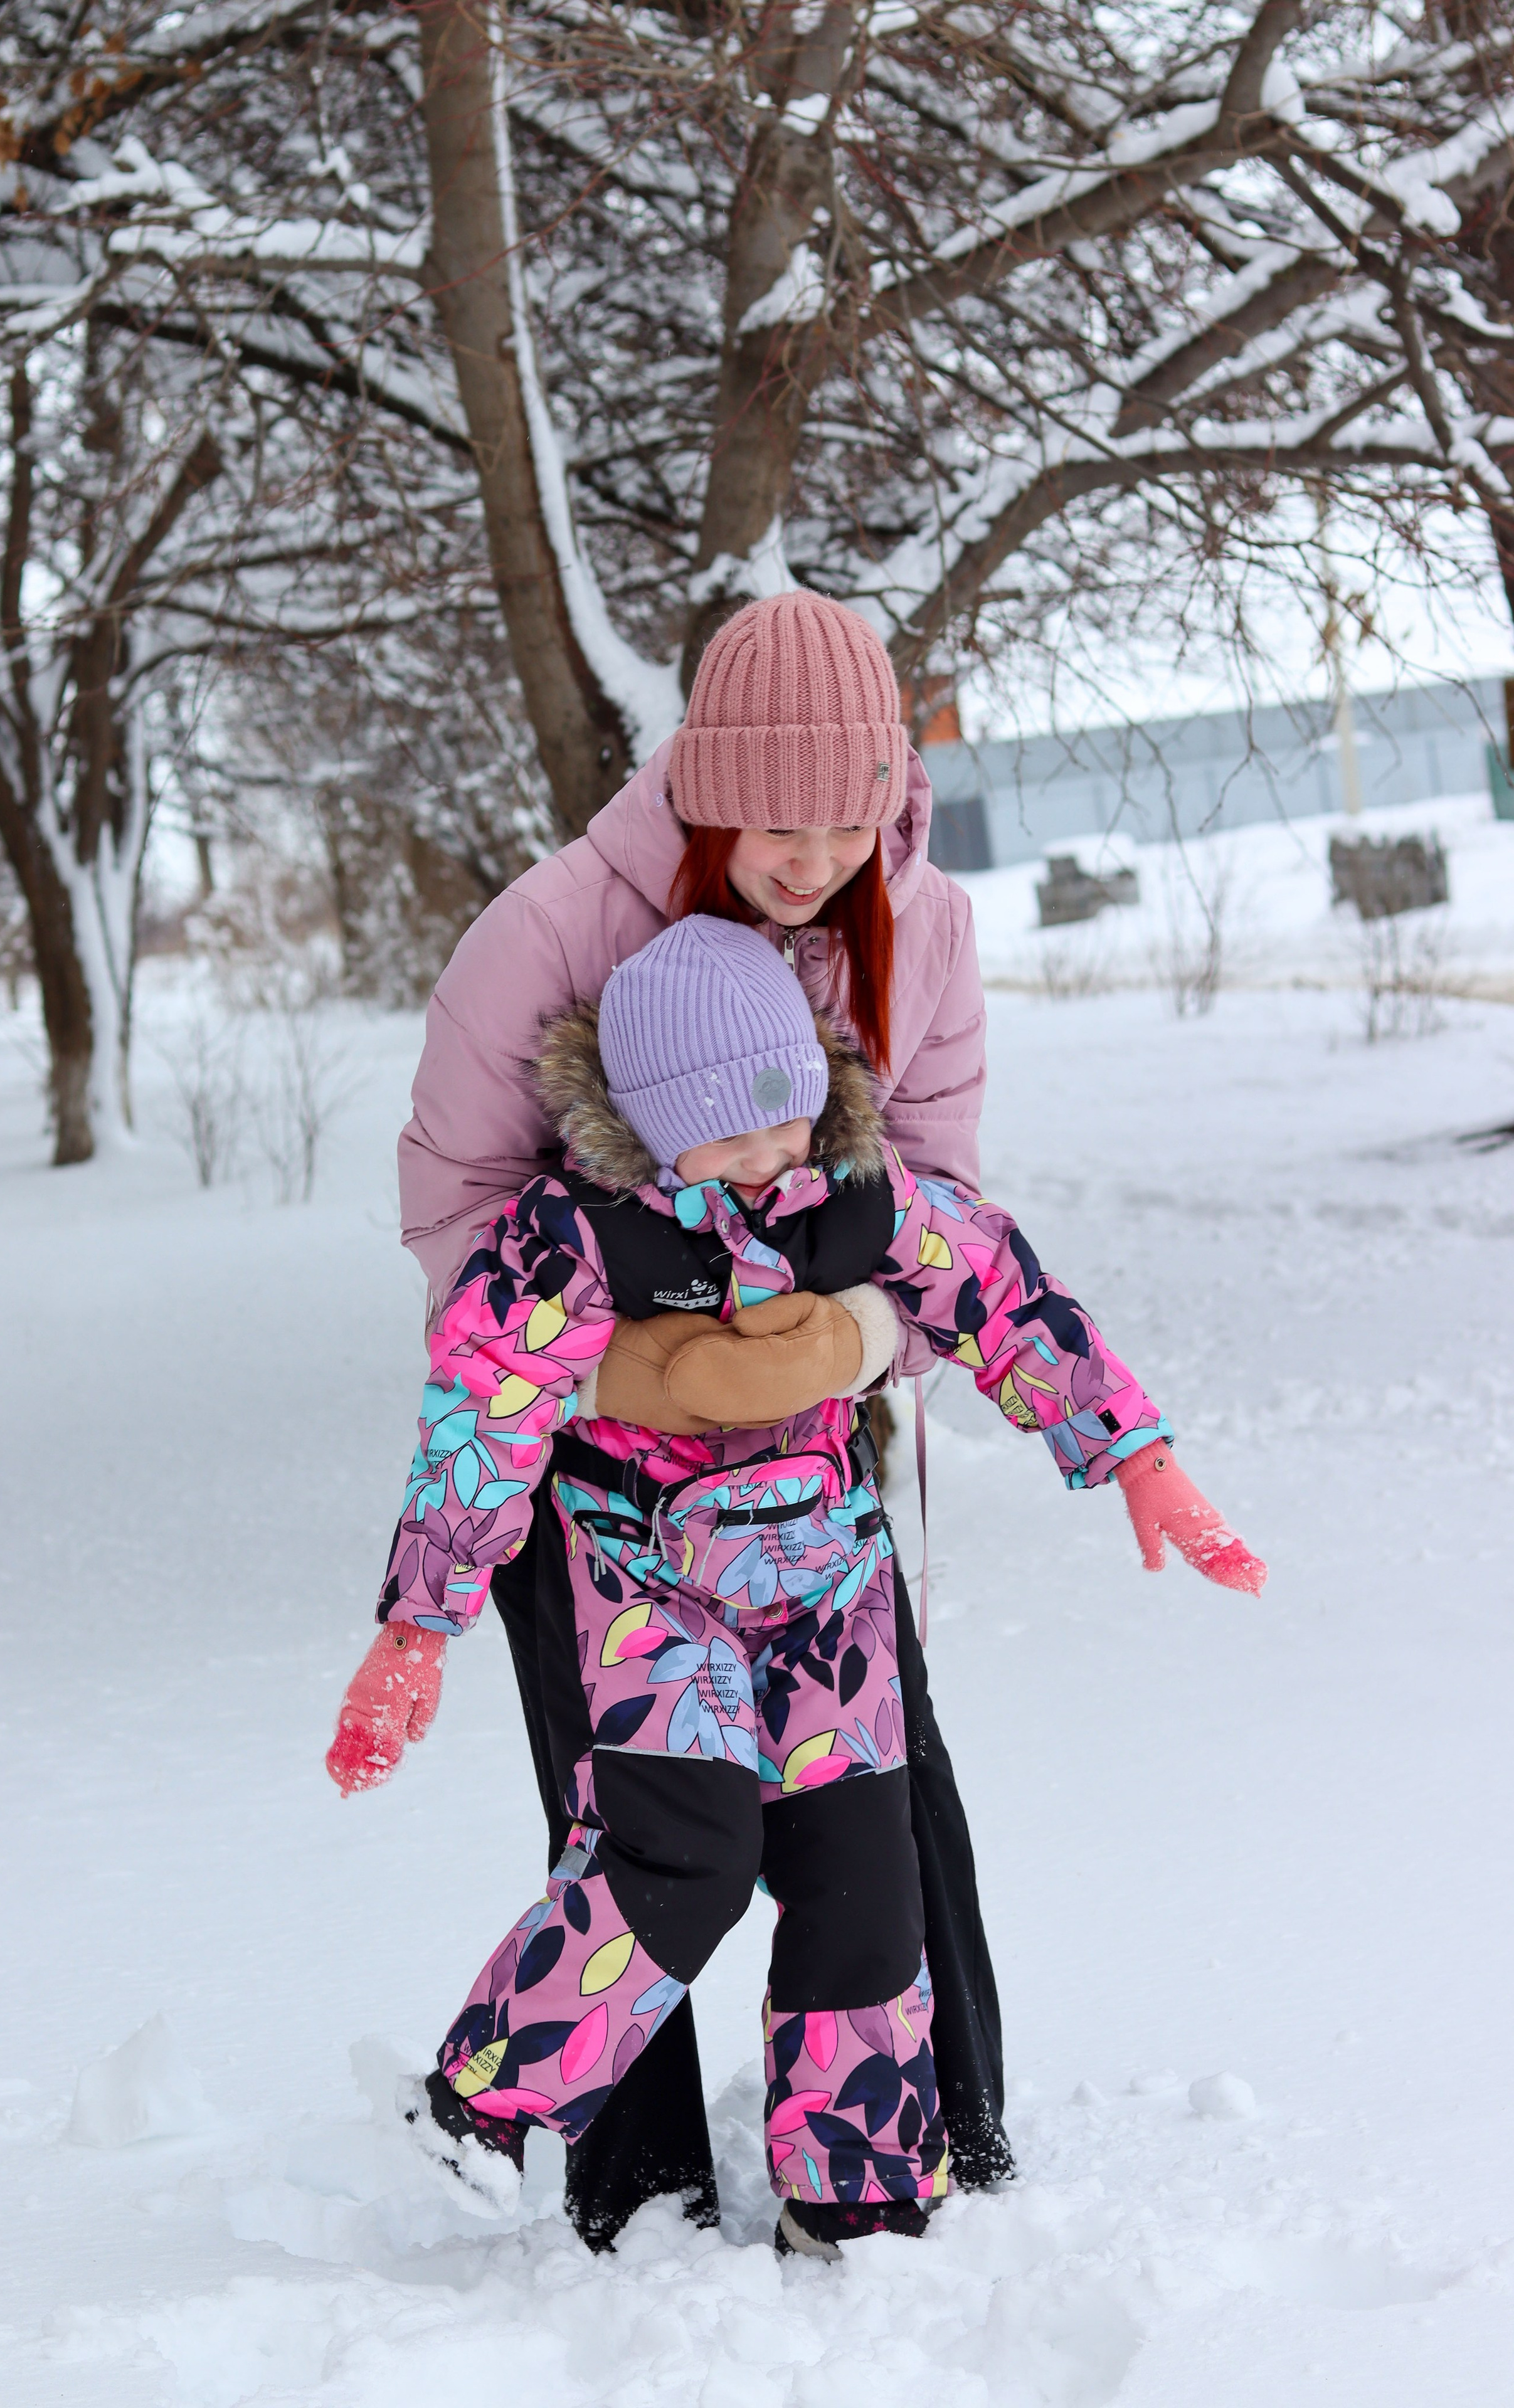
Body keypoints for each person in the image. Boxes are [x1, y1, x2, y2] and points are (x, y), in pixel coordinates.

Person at [326, 917, 1264, 2262]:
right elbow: (480, 1411)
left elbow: (1003, 1293)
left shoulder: (858, 1197)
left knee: (859, 1877)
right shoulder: (578, 1236)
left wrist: (1135, 1456)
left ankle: (854, 2188)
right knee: (681, 1860)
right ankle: (482, 2106)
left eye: (786, 1116)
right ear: (648, 1128)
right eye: (728, 1133)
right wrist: (415, 1628)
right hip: (652, 1590)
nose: (768, 1157)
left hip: (826, 1590)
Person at [391, 591, 1013, 2251]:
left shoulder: (923, 926)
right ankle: (633, 2179)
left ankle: (916, 2141)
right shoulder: (549, 931)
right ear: (699, 779)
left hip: (811, 1454)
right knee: (654, 1821)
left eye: (851, 817)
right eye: (773, 816)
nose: (812, 857)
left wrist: (864, 1333)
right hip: (590, 1484)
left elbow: (946, 1194)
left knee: (882, 1800)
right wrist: (618, 1371)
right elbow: (456, 1199)